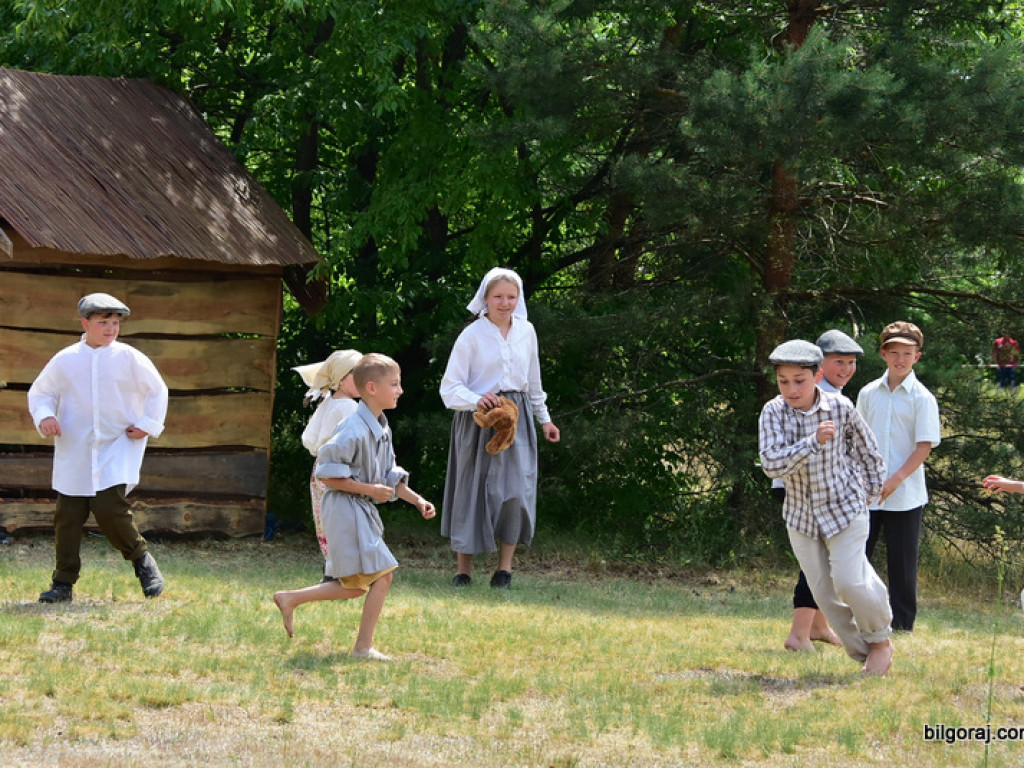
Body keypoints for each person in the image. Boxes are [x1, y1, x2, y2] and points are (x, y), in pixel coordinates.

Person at [272, 353, 436, 661]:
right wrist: (368, 489)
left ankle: (290, 598)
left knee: (357, 585)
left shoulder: (381, 429)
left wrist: (418, 501)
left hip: (359, 508)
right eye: (395, 384)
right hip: (344, 508)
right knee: (382, 575)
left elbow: (391, 477)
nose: (401, 390)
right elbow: (327, 472)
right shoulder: (352, 428)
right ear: (372, 388)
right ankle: (362, 648)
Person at [759, 339, 894, 675]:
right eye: (783, 381)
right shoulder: (772, 412)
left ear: (818, 375)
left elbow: (867, 450)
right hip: (801, 518)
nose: (791, 389)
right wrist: (812, 442)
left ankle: (881, 642)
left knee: (851, 581)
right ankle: (866, 653)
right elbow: (772, 465)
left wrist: (873, 490)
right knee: (823, 594)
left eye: (799, 381)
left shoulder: (840, 407)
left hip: (845, 510)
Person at [28, 292, 169, 603]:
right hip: (75, 449)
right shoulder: (65, 359)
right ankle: (63, 583)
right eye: (103, 322)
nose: (111, 328)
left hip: (117, 445)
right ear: (85, 323)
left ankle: (143, 562)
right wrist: (46, 415)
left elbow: (158, 391)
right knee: (68, 517)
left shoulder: (129, 357)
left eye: (115, 322)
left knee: (109, 508)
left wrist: (148, 423)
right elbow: (41, 393)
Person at [439, 267, 561, 589]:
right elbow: (449, 388)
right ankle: (463, 571)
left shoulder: (527, 332)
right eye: (498, 296)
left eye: (511, 296)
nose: (504, 303)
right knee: (472, 491)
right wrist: (479, 400)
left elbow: (533, 382)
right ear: (486, 298)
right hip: (478, 421)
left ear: (518, 299)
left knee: (515, 493)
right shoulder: (472, 335)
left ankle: (503, 571)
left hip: (517, 421)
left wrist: (544, 418)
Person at [856, 321, 941, 632]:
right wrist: (863, 477)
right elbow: (857, 439)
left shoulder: (922, 398)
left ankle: (902, 623)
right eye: (895, 353)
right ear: (883, 354)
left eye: (908, 353)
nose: (901, 359)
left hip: (905, 494)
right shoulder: (867, 393)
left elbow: (924, 446)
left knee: (902, 562)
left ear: (917, 357)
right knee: (858, 556)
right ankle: (858, 617)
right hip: (867, 491)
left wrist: (896, 480)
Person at [782, 329, 863, 652]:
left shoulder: (824, 394)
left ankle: (818, 627)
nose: (845, 369)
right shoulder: (823, 397)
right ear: (819, 365)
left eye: (851, 362)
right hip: (809, 487)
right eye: (838, 362)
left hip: (803, 484)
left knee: (818, 560)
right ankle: (799, 635)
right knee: (818, 564)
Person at [293, 348, 362, 561]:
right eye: (358, 374)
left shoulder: (330, 402)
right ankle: (343, 570)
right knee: (343, 522)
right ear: (342, 380)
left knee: (327, 523)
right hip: (338, 472)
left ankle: (332, 567)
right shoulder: (349, 407)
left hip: (321, 470)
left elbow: (312, 438)